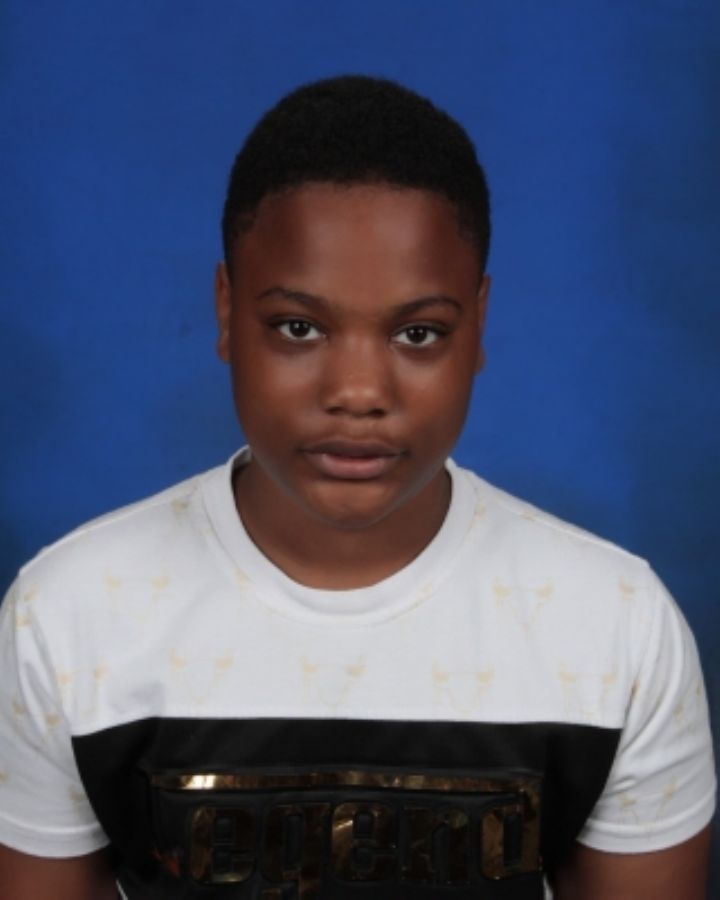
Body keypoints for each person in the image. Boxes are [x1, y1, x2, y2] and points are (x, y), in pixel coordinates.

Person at [0, 75, 714, 900]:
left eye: (419, 333)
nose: (358, 391)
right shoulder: (71, 614)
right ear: (226, 310)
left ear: (479, 323)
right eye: (299, 327)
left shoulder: (614, 626)